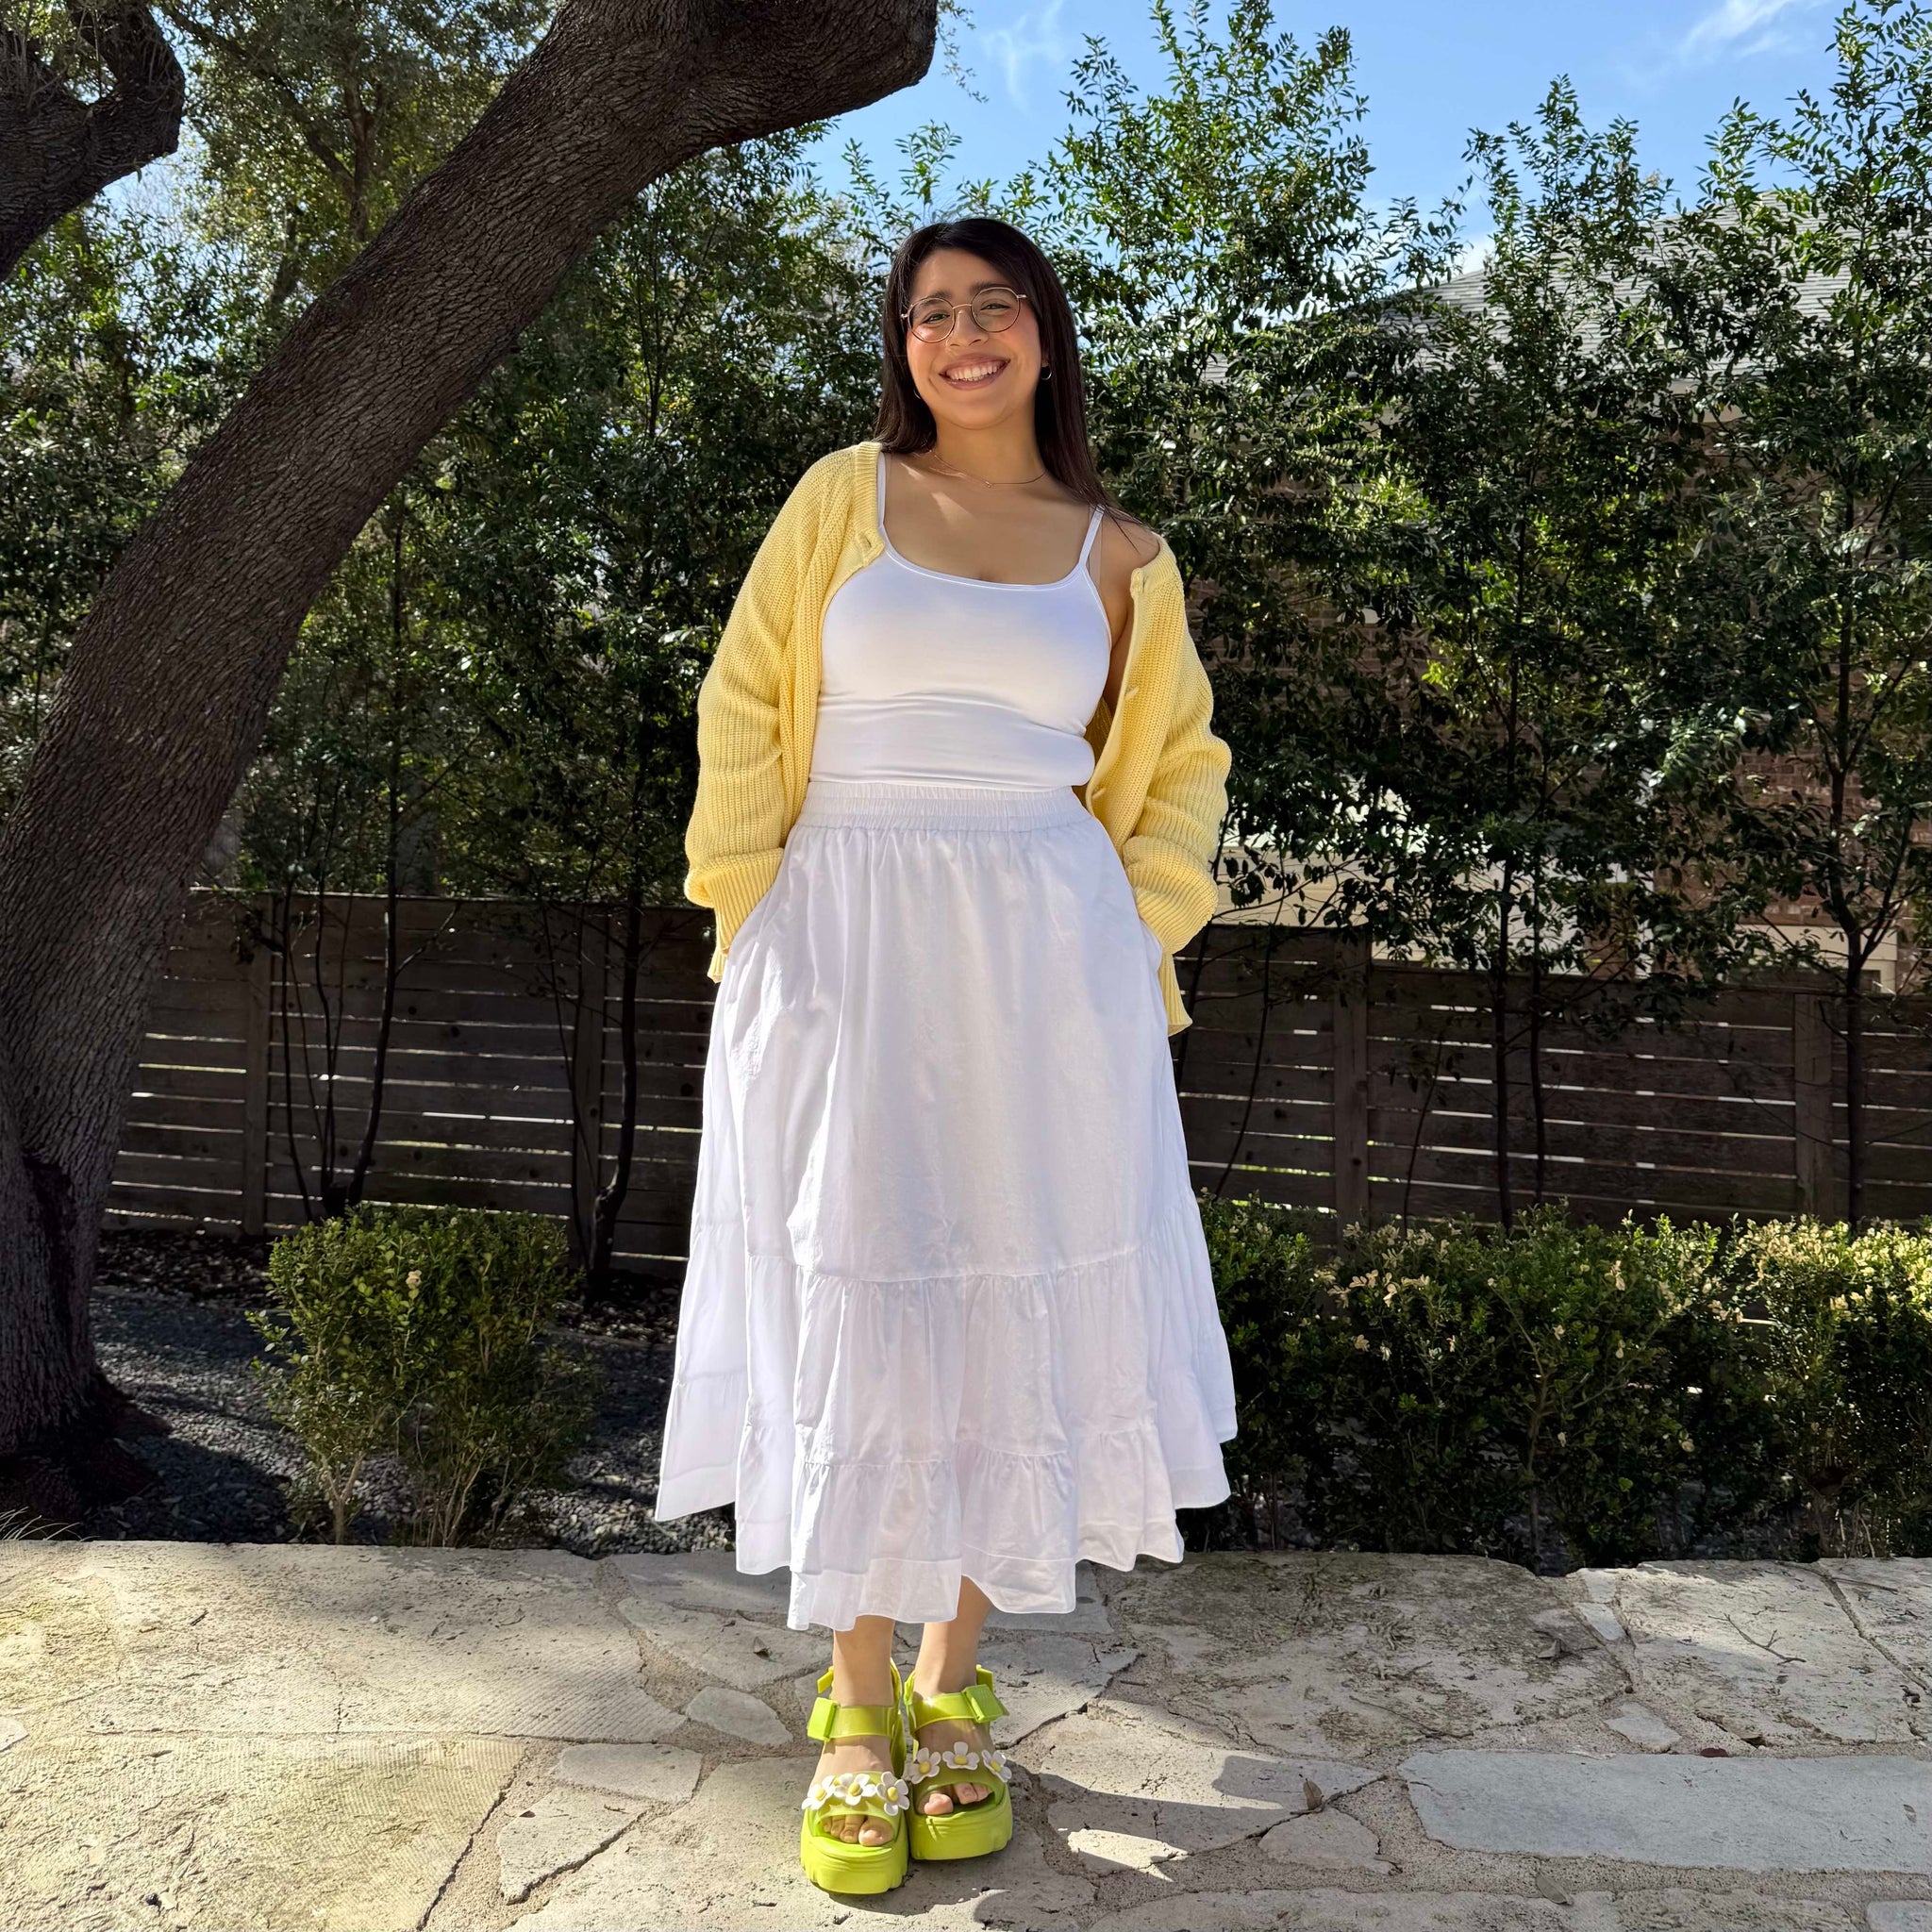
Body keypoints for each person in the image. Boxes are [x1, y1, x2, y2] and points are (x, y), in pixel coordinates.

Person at [654, 216, 1238, 1896]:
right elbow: (745, 701)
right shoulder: (844, 496)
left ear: (1044, 334)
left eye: (992, 306)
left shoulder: (1125, 558)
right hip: (837, 936)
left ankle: (948, 1679)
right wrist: (750, 904)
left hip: (1048, 970)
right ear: (902, 345)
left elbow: (1181, 766)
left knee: (1008, 1299)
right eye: (928, 312)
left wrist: (1132, 932)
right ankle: (852, 1704)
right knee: (850, 1285)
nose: (961, 335)